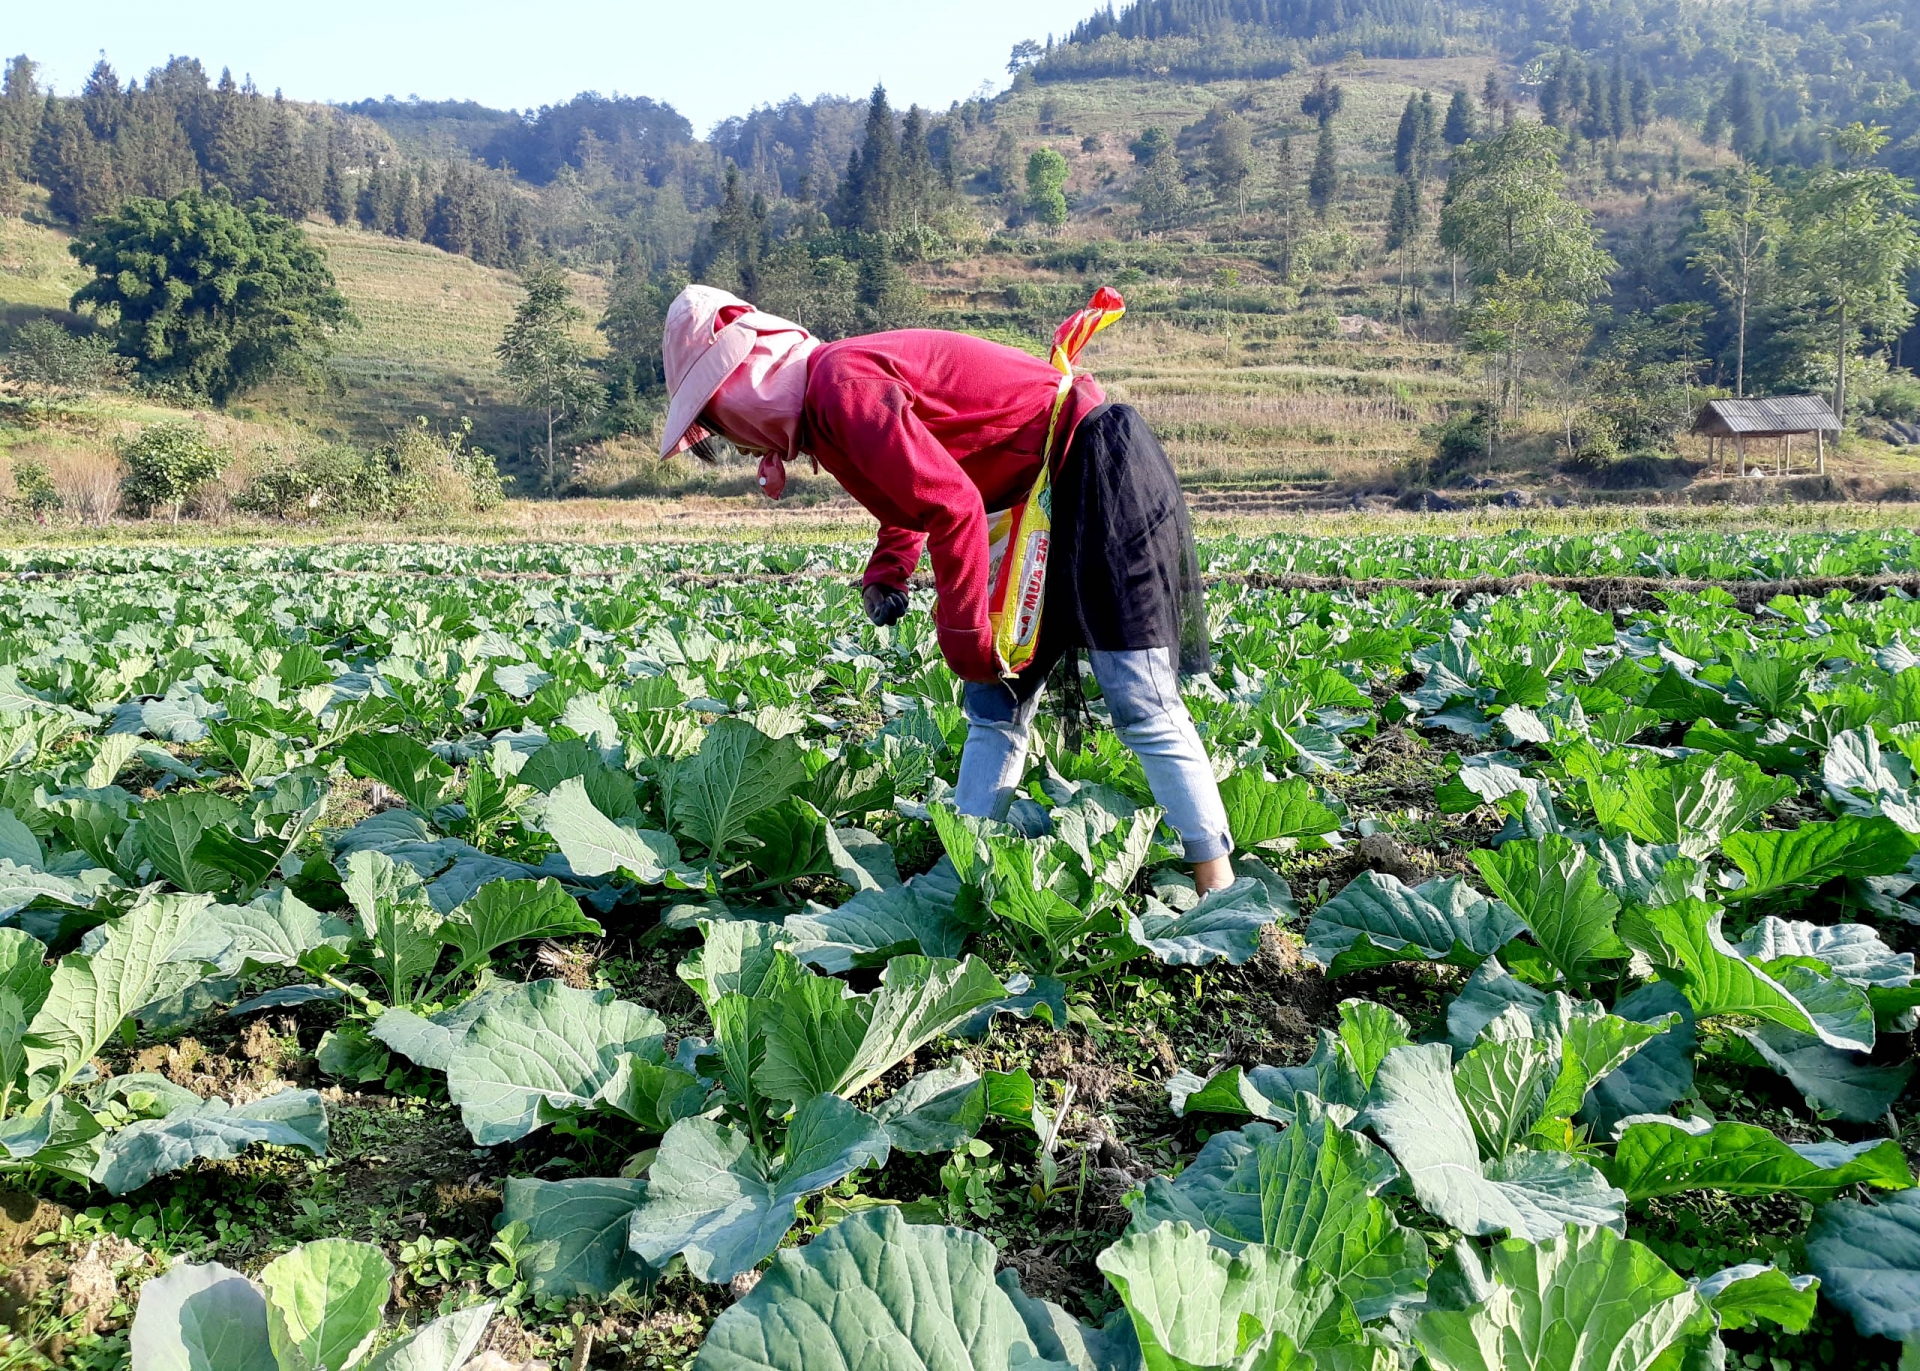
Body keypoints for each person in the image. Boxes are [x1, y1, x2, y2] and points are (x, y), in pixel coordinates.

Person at [659, 284, 1235, 893]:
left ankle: (1215, 881)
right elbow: (911, 492)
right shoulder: (829, 406)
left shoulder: (841, 386)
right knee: (995, 703)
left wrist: (964, 639)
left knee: (1137, 695)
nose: (738, 445)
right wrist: (888, 571)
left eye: (720, 424)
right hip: (1034, 497)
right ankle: (965, 871)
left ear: (745, 390)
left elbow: (954, 505)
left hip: (1092, 470)